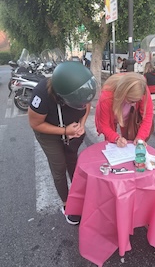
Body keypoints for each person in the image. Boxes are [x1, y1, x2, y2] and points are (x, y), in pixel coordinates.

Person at [28, 61, 96, 225]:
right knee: (59, 166)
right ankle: (67, 204)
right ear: (60, 96)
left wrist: (81, 124)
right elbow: (35, 124)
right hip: (48, 132)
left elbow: (86, 107)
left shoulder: (82, 87)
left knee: (73, 162)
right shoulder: (41, 94)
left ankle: (79, 194)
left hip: (71, 130)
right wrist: (65, 131)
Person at [95, 72, 153, 148]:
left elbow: (147, 116)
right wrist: (116, 138)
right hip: (110, 118)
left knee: (130, 142)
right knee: (112, 144)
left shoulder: (141, 88)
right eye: (131, 101)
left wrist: (140, 137)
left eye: (137, 101)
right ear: (123, 94)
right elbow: (104, 125)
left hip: (128, 118)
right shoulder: (106, 97)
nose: (134, 105)